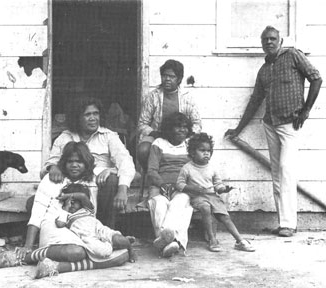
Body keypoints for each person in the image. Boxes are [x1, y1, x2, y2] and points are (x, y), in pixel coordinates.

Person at [225, 26, 323, 237]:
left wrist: (305, 111)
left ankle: (289, 224)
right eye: (265, 40)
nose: (269, 42)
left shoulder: (293, 56)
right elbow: (255, 101)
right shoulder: (264, 70)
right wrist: (238, 129)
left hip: (291, 124)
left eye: (272, 38)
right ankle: (284, 224)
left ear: (280, 41)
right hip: (270, 124)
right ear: (262, 44)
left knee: (287, 170)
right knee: (277, 174)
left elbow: (316, 78)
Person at [0, 142, 131, 278]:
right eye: (70, 161)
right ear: (64, 163)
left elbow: (129, 171)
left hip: (84, 228)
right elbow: (37, 213)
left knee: (122, 255)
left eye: (79, 161)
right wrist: (27, 245)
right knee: (77, 252)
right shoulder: (52, 178)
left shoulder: (93, 178)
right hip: (56, 225)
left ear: (87, 163)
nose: (74, 165)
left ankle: (55, 266)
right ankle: (26, 257)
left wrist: (112, 170)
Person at [41, 97, 136, 229]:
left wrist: (122, 189)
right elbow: (51, 162)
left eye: (95, 113)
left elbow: (126, 163)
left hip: (98, 186)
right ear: (77, 117)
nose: (93, 118)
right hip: (72, 185)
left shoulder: (108, 136)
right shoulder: (65, 137)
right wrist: (53, 166)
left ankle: (106, 229)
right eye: (87, 114)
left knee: (112, 180)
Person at [176, 133, 255, 252]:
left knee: (224, 216)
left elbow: (218, 185)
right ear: (192, 152)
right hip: (197, 197)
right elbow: (179, 184)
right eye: (202, 150)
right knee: (206, 208)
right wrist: (192, 188)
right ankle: (212, 239)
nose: (206, 153)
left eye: (209, 151)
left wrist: (223, 189)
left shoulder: (212, 168)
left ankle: (240, 240)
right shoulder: (187, 168)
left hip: (212, 196)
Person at [137, 59, 202, 171]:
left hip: (181, 137)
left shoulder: (187, 98)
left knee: (200, 149)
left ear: (179, 79)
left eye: (171, 77)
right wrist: (155, 133)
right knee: (143, 150)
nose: (167, 79)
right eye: (164, 75)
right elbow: (142, 124)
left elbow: (197, 123)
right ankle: (151, 174)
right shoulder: (153, 96)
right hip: (158, 135)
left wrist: (187, 135)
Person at [146, 112, 194, 258]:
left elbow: (196, 167)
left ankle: (164, 241)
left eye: (185, 127)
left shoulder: (190, 143)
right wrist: (162, 184)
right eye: (178, 127)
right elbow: (152, 170)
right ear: (169, 129)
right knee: (159, 204)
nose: (182, 130)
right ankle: (175, 242)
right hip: (159, 185)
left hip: (182, 186)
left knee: (179, 204)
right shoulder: (159, 143)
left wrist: (182, 185)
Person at [55, 183, 136, 262]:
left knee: (119, 239)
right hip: (87, 236)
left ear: (81, 202)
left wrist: (67, 196)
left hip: (100, 229)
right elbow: (60, 224)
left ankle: (129, 247)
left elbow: (83, 196)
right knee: (102, 252)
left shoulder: (88, 209)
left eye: (74, 201)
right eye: (69, 202)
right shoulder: (66, 214)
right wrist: (66, 208)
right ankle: (113, 245)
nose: (71, 204)